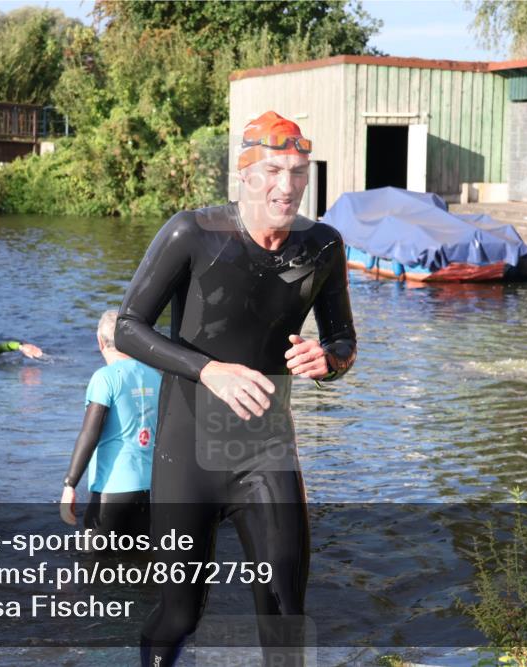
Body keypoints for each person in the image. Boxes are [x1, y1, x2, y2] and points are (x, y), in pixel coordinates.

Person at [115, 110, 356, 666]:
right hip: (187, 459)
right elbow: (129, 327)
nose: (287, 185)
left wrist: (328, 359)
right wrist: (208, 370)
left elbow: (343, 339)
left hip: (267, 452)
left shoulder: (322, 246)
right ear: (243, 175)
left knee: (284, 615)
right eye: (273, 170)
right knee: (180, 615)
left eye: (298, 172)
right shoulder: (192, 233)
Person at [59, 310, 161, 538]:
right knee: (138, 565)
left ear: (99, 342)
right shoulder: (156, 376)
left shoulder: (105, 378)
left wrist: (70, 484)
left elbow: (90, 433)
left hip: (112, 489)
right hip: (150, 491)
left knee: (91, 567)